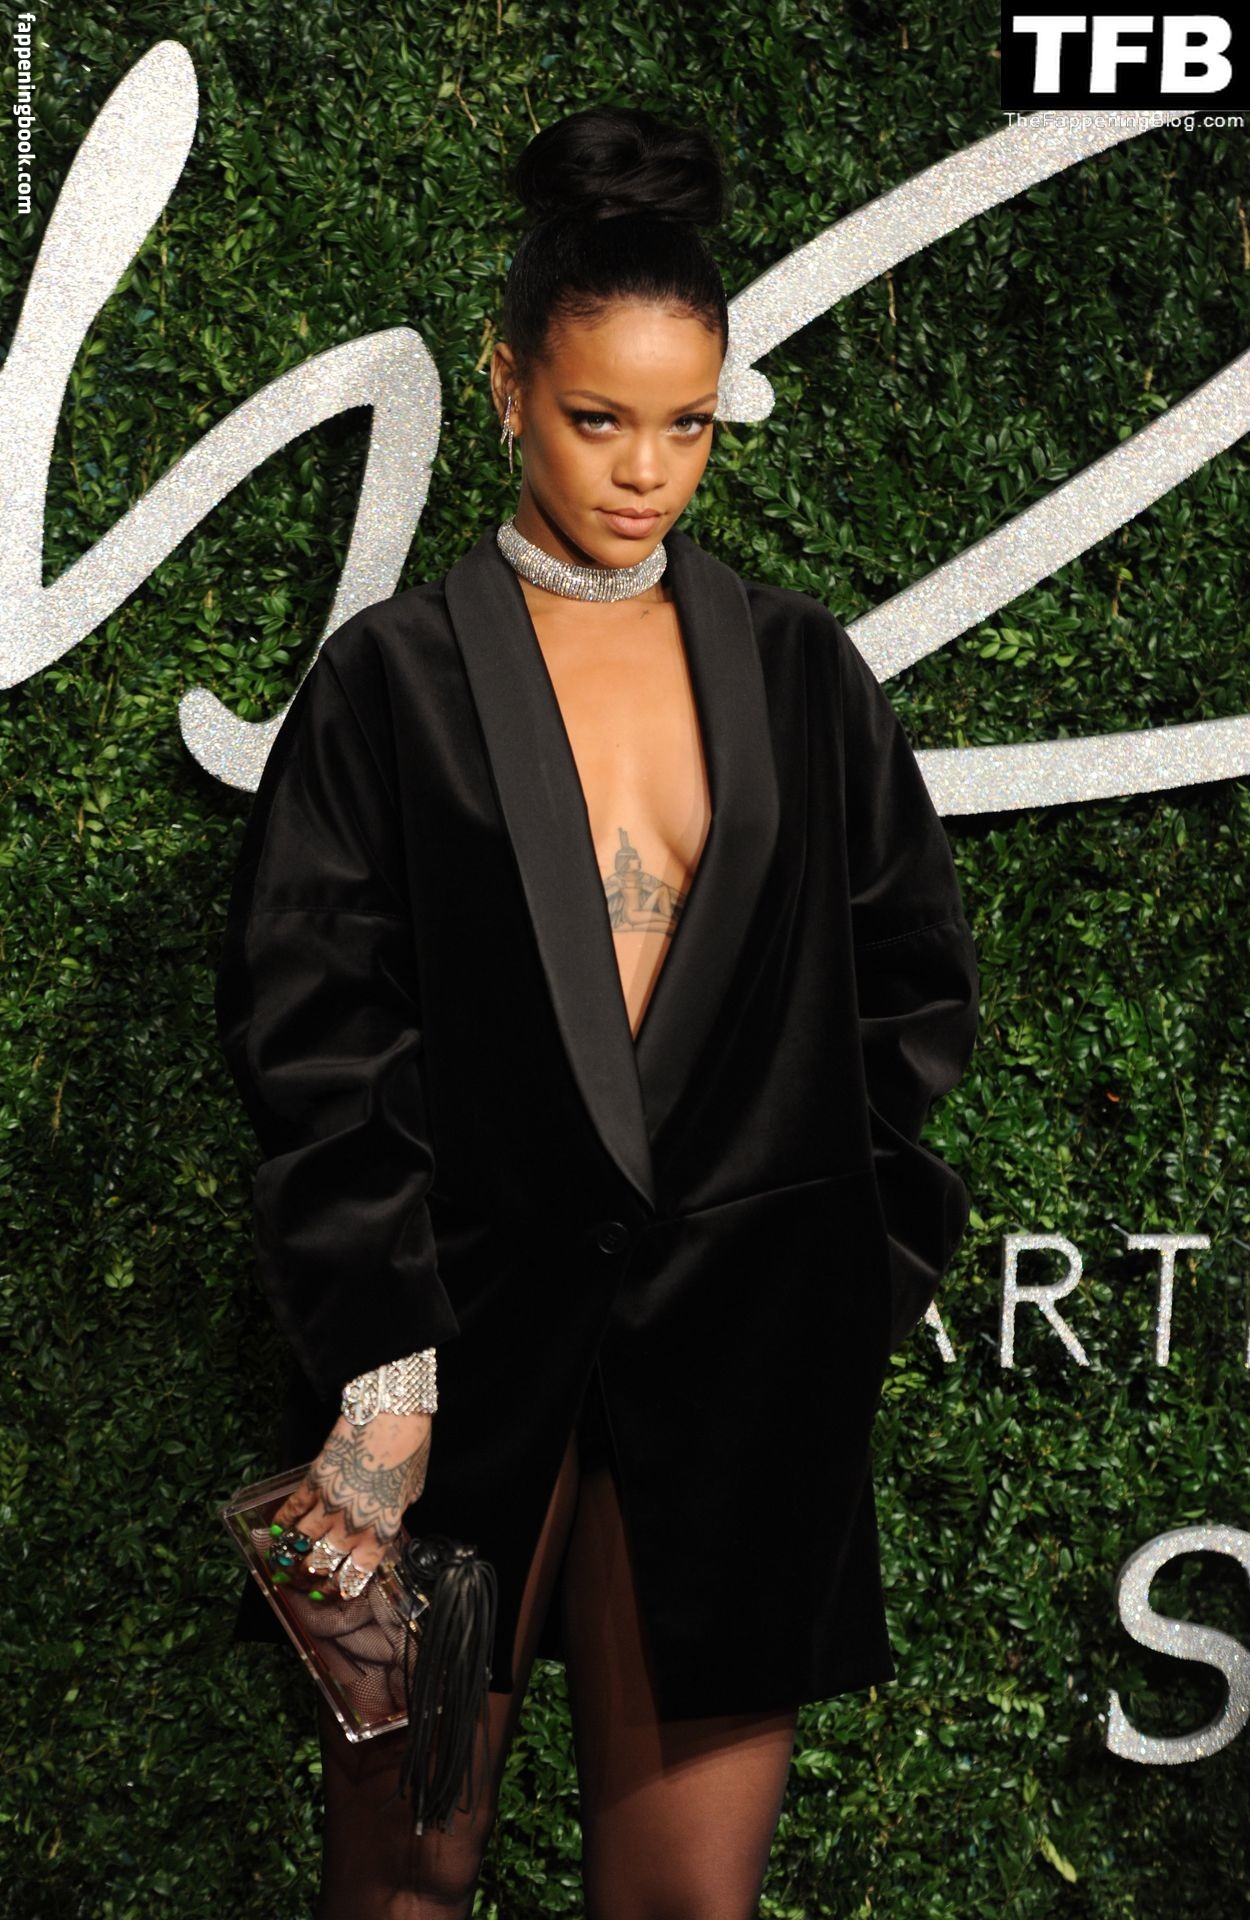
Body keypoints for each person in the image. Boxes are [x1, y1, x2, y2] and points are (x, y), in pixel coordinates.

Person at [215, 103, 979, 1920]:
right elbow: (313, 1033)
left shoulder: (799, 670)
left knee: (686, 1906)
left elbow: (910, 993)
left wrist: (837, 1284)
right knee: (403, 1881)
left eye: (686, 424)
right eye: (597, 418)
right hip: (450, 1366)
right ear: (504, 385)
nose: (645, 471)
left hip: (738, 1367)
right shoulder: (392, 681)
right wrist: (383, 1369)